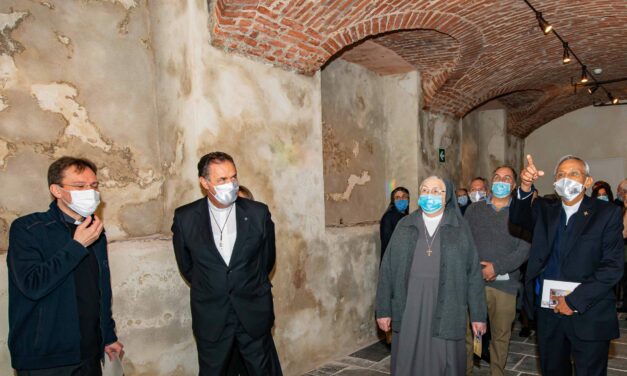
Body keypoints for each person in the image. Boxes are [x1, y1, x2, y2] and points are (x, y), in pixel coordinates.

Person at [7, 156, 123, 376]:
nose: (90, 191)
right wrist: (77, 246)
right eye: (80, 186)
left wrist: (108, 336)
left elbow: (100, 290)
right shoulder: (28, 229)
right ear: (56, 190)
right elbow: (32, 285)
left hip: (89, 351)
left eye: (94, 185)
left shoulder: (95, 230)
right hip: (46, 357)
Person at [510, 154, 624, 376]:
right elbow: (517, 216)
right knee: (553, 369)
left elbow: (612, 266)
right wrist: (525, 185)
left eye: (574, 173)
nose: (566, 179)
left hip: (588, 311)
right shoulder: (545, 208)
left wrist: (573, 301)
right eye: (560, 174)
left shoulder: (607, 213)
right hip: (549, 311)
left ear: (587, 181)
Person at [172, 151, 282, 376]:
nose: (230, 184)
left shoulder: (258, 213)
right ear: (205, 183)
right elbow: (188, 267)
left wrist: (246, 283)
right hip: (212, 315)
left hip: (252, 312)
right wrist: (216, 284)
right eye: (222, 180)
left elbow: (266, 261)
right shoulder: (185, 218)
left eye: (233, 177)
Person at [376, 176, 487, 375]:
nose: (430, 195)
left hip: (447, 304)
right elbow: (387, 269)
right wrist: (383, 309)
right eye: (425, 190)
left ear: (447, 196)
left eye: (436, 191)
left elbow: (473, 274)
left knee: (443, 359)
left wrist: (478, 315)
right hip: (410, 303)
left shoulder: (460, 228)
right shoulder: (404, 225)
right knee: (408, 358)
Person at [464, 166, 530, 376]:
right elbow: (465, 243)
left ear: (513, 185)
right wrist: (477, 269)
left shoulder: (521, 212)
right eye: (497, 177)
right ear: (491, 182)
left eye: (506, 178)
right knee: (468, 335)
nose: (501, 181)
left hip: (505, 285)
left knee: (501, 337)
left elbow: (525, 248)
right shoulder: (474, 210)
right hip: (474, 283)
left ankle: (497, 373)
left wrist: (496, 268)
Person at [380, 187, 410, 260]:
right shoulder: (388, 217)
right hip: (393, 259)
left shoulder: (407, 217)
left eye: (404, 197)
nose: (401, 200)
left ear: (408, 200)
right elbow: (388, 243)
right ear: (393, 201)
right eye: (397, 197)